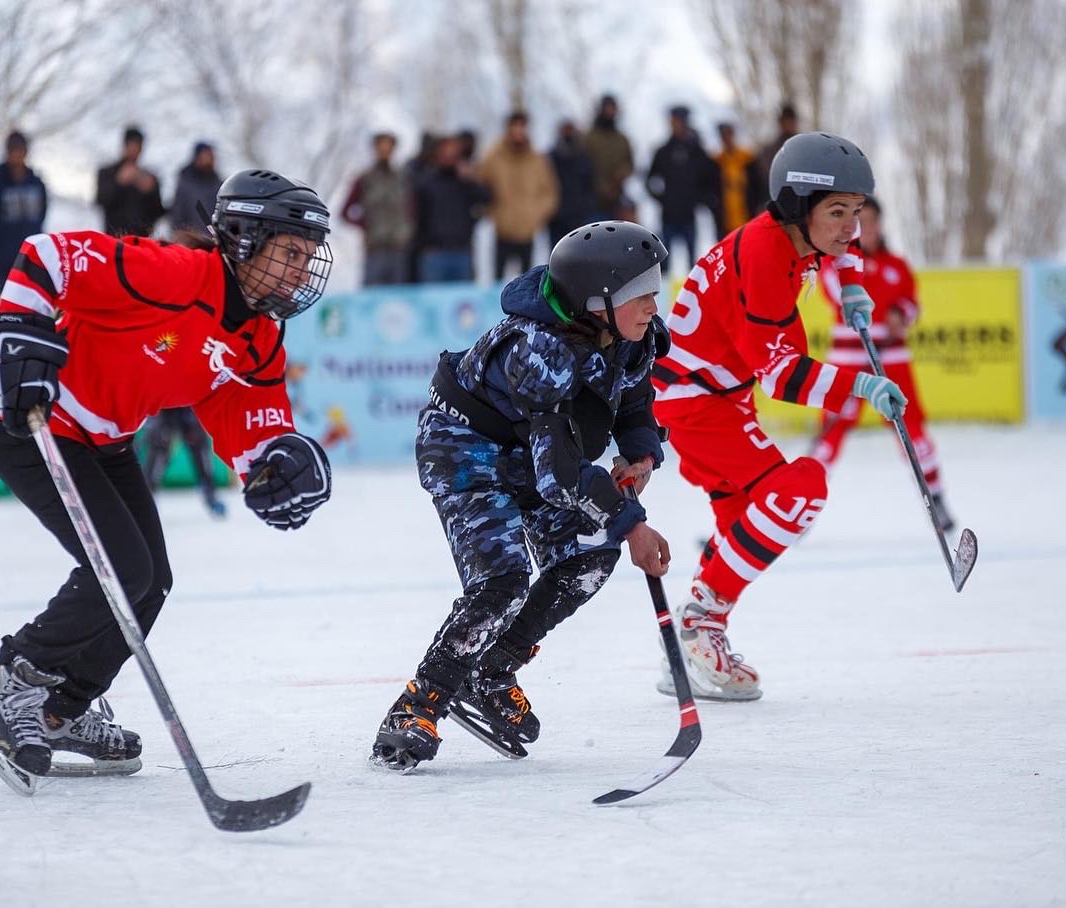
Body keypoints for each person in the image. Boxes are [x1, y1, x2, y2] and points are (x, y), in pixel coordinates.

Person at [0, 170, 336, 787]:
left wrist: (278, 466)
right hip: (34, 422)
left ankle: (62, 709)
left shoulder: (261, 337)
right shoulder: (173, 274)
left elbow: (253, 419)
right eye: (290, 252)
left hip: (103, 440)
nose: (302, 270)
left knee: (150, 581)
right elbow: (46, 255)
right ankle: (14, 683)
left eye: (308, 256)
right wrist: (19, 332)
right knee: (120, 568)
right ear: (245, 239)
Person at [371, 220, 673, 771]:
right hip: (464, 447)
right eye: (641, 292)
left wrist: (641, 453)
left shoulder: (631, 336)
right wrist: (632, 521)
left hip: (530, 451)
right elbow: (558, 475)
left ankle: (491, 670)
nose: (654, 303)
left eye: (655, 287)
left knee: (588, 557)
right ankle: (418, 706)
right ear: (597, 300)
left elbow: (632, 403)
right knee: (502, 581)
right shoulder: (539, 348)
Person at [651, 132, 904, 701]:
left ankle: (684, 652)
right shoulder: (764, 256)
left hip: (717, 397)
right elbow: (784, 375)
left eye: (857, 211)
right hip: (696, 403)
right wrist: (861, 386)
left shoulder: (799, 236)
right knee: (799, 491)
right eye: (837, 211)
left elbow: (846, 248)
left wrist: (855, 286)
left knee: (744, 525)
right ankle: (698, 627)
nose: (849, 226)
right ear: (796, 206)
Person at [812, 195, 954, 532]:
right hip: (848, 361)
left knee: (912, 431)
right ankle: (799, 509)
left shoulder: (897, 265)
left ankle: (936, 498)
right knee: (828, 438)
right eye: (861, 220)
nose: (867, 227)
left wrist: (900, 313)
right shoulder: (838, 262)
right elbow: (834, 293)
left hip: (890, 359)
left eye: (872, 220)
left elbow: (912, 304)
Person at [480, 111, 560, 279]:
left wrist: (535, 216)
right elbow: (479, 187)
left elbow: (550, 193)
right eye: (514, 126)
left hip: (527, 233)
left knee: (527, 282)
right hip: (502, 231)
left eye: (521, 127)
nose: (518, 131)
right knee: (497, 281)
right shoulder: (492, 158)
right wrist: (495, 213)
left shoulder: (538, 160)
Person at [0, 131, 47, 296]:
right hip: (2, 256)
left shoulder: (36, 184)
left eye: (20, 150)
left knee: (30, 295)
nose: (17, 155)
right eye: (13, 150)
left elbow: (42, 214)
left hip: (31, 254)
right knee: (0, 298)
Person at [340, 132, 414, 285]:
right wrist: (365, 225)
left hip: (399, 248)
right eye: (381, 148)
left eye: (388, 148)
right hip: (375, 248)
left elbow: (413, 208)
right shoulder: (364, 179)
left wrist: (408, 229)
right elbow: (345, 212)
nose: (384, 152)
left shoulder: (403, 178)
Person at [412, 135, 488, 283]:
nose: (449, 156)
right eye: (445, 152)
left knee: (463, 302)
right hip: (434, 254)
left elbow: (486, 199)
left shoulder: (465, 183)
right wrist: (424, 246)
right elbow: (417, 217)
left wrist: (469, 180)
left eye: (453, 153)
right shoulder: (426, 183)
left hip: (462, 252)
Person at [646, 105, 711, 266]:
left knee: (692, 264)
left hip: (689, 215)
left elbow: (708, 178)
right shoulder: (663, 151)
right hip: (669, 216)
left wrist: (699, 200)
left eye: (677, 121)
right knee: (664, 263)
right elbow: (650, 179)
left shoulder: (696, 151)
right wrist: (662, 199)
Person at [140, 407, 226, 517]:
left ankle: (210, 495)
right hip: (164, 404)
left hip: (187, 403)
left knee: (198, 442)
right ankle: (145, 500)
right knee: (159, 446)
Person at [95, 126, 164, 237]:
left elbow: (158, 212)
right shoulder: (108, 172)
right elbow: (101, 200)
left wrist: (152, 191)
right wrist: (119, 183)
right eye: (132, 145)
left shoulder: (150, 178)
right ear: (124, 145)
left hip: (141, 241)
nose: (135, 150)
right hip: (113, 239)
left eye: (138, 146)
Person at [582, 94, 634, 220]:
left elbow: (629, 164)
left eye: (613, 108)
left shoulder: (622, 139)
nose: (611, 112)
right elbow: (582, 167)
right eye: (608, 108)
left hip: (616, 202)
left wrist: (619, 177)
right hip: (592, 201)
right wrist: (602, 187)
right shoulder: (589, 138)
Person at [547, 120, 597, 245]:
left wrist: (586, 209)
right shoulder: (551, 158)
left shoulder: (583, 157)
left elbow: (590, 186)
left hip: (579, 218)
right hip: (556, 219)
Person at [748, 103, 800, 213]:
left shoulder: (806, 149)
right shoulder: (768, 151)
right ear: (780, 123)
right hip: (773, 206)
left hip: (800, 207)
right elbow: (761, 182)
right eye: (786, 121)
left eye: (791, 121)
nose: (788, 125)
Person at [167, 141, 222, 236]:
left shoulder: (219, 185)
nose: (208, 159)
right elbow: (177, 215)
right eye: (205, 155)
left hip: (213, 241)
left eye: (210, 156)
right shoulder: (185, 184)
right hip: (191, 241)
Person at [711, 122, 756, 235]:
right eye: (723, 135)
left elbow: (757, 186)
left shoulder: (747, 158)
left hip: (746, 218)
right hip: (725, 221)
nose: (726, 138)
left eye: (728, 134)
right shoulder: (716, 161)